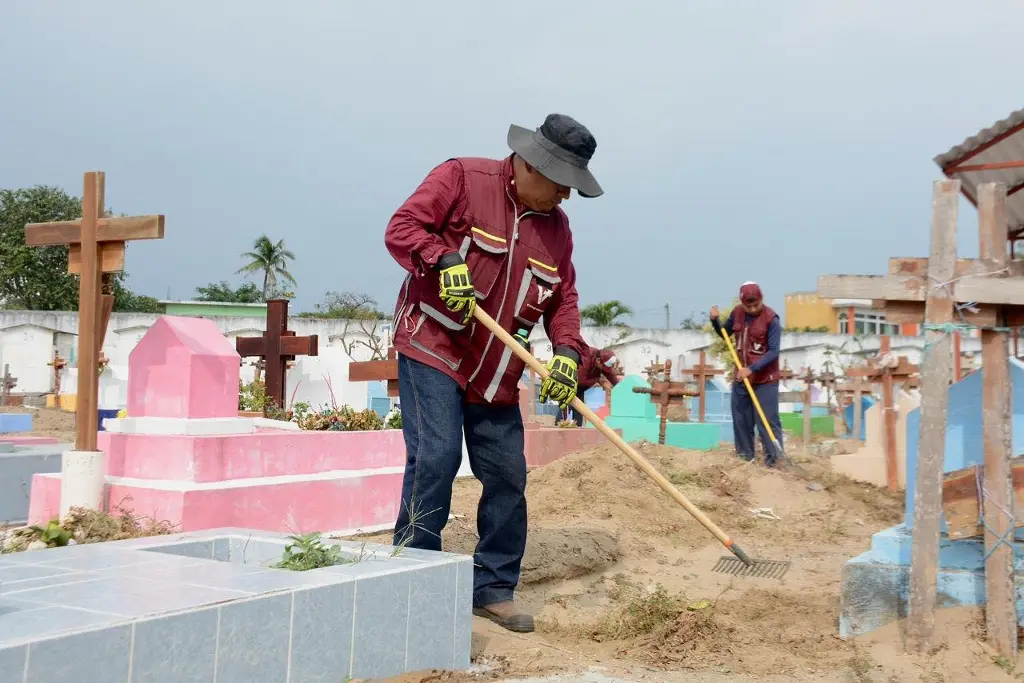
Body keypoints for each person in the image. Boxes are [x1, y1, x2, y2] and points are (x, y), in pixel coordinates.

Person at [384, 113, 603, 633]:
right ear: (530, 165)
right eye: (562, 184)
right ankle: (412, 578)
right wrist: (442, 260)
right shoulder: (460, 178)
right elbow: (402, 229)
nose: (566, 198)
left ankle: (492, 586)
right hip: (433, 345)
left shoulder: (557, 229)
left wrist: (568, 352)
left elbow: (563, 298)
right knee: (435, 457)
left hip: (497, 369)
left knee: (507, 474)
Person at [710, 282, 783, 466]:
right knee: (741, 420)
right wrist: (714, 322)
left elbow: (774, 351)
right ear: (742, 303)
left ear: (761, 299)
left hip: (765, 380)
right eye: (748, 306)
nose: (751, 309)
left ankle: (774, 462)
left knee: (767, 421)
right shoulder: (737, 313)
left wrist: (751, 368)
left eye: (755, 304)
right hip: (741, 378)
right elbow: (725, 334)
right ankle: (745, 459)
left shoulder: (771, 319)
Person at [569, 346, 620, 426]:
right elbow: (580, 380)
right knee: (564, 408)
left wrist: (619, 387)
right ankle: (557, 431)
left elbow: (610, 374)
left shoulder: (601, 360)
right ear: (598, 361)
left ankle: (576, 432)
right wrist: (598, 380)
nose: (604, 370)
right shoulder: (586, 359)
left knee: (579, 410)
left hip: (580, 386)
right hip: (569, 382)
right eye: (604, 367)